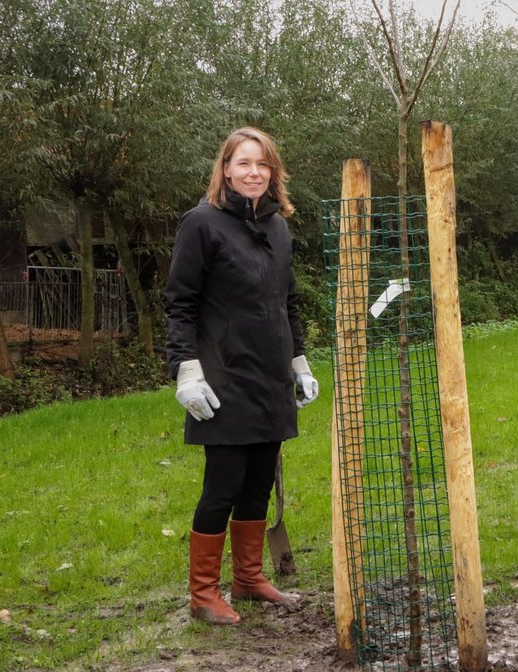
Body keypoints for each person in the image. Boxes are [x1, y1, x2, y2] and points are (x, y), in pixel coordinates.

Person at [165, 127, 318, 625]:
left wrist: (298, 362)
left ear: (273, 173)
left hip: (270, 378)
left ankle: (249, 579)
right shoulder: (201, 224)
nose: (254, 172)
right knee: (223, 485)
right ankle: (203, 593)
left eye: (263, 164)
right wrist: (186, 371)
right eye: (244, 163)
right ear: (225, 169)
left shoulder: (278, 228)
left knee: (258, 485)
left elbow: (287, 301)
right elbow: (180, 304)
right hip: (223, 379)